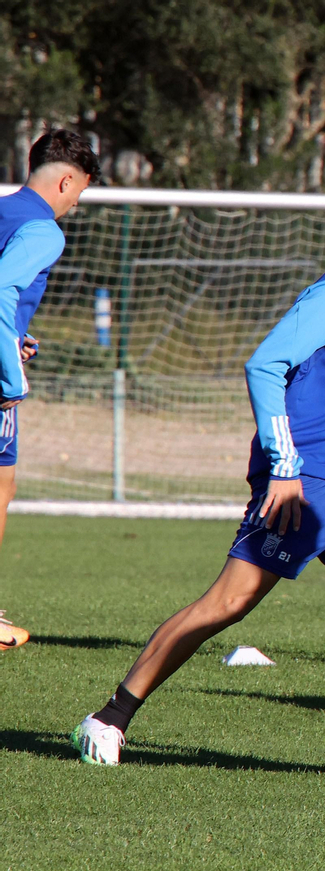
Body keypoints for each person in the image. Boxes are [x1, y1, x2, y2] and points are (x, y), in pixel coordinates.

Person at [71, 171, 325, 776]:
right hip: (305, 486)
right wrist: (282, 467)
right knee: (227, 603)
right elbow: (265, 364)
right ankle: (109, 717)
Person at [0, 130, 100, 651]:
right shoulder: (43, 230)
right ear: (65, 179)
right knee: (0, 486)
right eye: (78, 194)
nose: (74, 205)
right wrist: (10, 373)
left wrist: (16, 336)